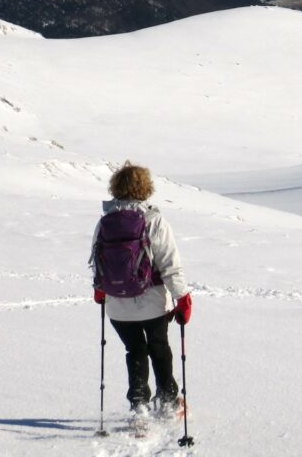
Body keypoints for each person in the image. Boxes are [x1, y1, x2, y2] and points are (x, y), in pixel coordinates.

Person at [91, 162, 193, 416]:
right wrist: (183, 298)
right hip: (152, 302)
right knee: (159, 348)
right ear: (146, 188)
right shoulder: (153, 220)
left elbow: (96, 259)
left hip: (117, 306)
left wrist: (100, 289)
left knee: (134, 350)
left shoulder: (106, 221)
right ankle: (168, 401)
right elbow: (170, 263)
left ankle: (138, 405)